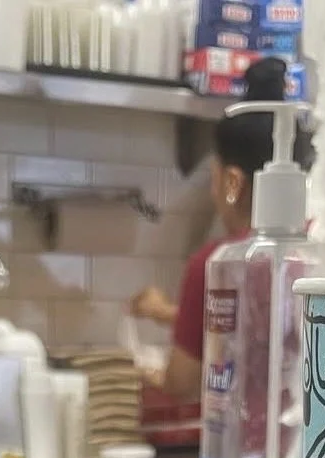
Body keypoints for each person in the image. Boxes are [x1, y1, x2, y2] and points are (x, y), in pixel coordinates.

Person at [129, 58, 314, 402]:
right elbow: (265, 326)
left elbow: (182, 383)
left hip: (248, 432)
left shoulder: (217, 263)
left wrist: (149, 373)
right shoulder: (323, 245)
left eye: (214, 178)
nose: (214, 192)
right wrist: (169, 314)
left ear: (232, 182)